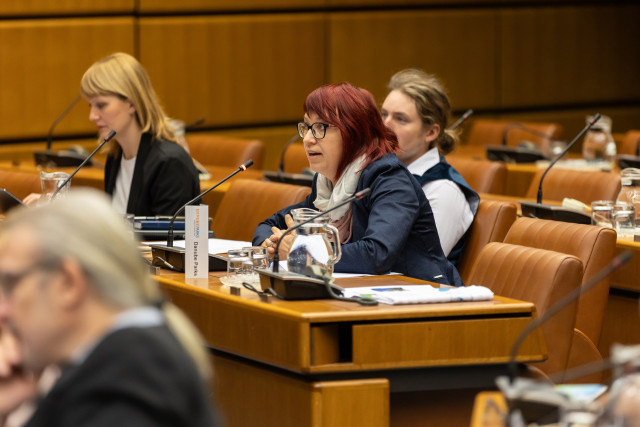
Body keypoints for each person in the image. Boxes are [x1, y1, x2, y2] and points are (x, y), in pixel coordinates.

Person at [0, 189, 221, 426]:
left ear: (68, 283)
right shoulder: (116, 362)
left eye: (12, 284)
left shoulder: (129, 384)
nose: (3, 310)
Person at [253, 83, 462, 286]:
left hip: (426, 297)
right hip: (367, 295)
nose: (308, 139)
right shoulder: (327, 183)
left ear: (354, 133)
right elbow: (269, 225)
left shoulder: (390, 180)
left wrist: (302, 251)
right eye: (306, 127)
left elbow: (376, 254)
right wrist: (272, 244)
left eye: (319, 127)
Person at [81, 52, 200, 216]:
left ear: (131, 104)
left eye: (101, 105)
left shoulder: (170, 163)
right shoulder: (115, 157)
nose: (92, 116)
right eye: (91, 106)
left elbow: (170, 239)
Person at [381, 69, 479, 264]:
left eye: (400, 119)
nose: (385, 125)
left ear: (431, 132)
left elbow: (417, 268)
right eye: (384, 115)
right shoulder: (382, 175)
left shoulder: (443, 192)